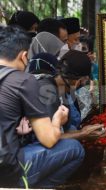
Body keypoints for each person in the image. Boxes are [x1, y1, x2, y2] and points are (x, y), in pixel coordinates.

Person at [0, 26, 84, 188]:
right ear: (24, 56)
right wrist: (57, 120)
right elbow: (49, 140)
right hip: (7, 171)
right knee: (75, 148)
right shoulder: (22, 80)